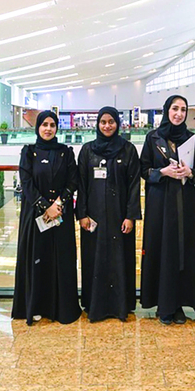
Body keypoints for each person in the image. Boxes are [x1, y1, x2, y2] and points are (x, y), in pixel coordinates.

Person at [140, 95, 195, 325]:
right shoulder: (153, 137)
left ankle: (178, 304)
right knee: (162, 249)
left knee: (182, 250)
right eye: (175, 108)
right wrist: (163, 172)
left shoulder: (190, 138)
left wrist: (190, 173)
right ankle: (164, 304)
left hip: (185, 203)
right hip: (160, 203)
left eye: (183, 109)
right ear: (167, 110)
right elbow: (144, 169)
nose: (179, 113)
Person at [12, 111, 81, 325]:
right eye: (44, 125)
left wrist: (57, 204)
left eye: (52, 125)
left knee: (61, 258)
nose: (48, 129)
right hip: (35, 214)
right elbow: (26, 183)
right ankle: (36, 306)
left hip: (60, 214)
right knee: (37, 258)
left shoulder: (65, 152)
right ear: (38, 127)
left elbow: (73, 181)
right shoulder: (29, 152)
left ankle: (61, 308)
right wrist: (45, 206)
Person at [77, 106, 141, 322]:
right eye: (103, 122)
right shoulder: (87, 150)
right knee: (94, 259)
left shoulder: (128, 150)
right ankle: (95, 305)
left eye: (111, 122)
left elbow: (134, 185)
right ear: (97, 124)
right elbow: (81, 184)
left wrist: (130, 216)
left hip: (120, 217)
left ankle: (120, 306)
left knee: (119, 259)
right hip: (93, 218)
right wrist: (82, 214)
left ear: (118, 124)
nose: (107, 126)